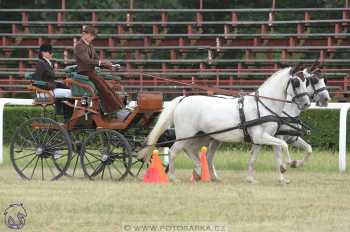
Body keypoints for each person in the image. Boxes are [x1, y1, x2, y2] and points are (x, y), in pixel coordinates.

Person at [74, 25, 123, 114]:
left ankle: (119, 106)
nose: (92, 38)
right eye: (91, 35)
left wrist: (111, 66)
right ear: (84, 34)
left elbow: (97, 60)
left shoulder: (90, 46)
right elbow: (87, 61)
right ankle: (115, 108)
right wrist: (101, 63)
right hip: (84, 73)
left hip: (91, 72)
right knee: (103, 88)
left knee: (108, 87)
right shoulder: (79, 46)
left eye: (93, 36)